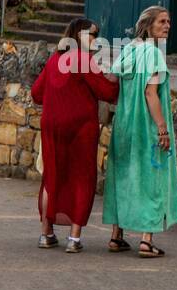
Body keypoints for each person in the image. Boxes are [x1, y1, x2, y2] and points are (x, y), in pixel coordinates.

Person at [30, 18, 119, 252]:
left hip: (52, 125)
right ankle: (74, 238)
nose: (96, 39)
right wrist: (115, 77)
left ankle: (46, 233)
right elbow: (106, 91)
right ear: (79, 35)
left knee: (52, 177)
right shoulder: (83, 59)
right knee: (81, 177)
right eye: (93, 34)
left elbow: (36, 94)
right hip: (80, 127)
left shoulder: (54, 59)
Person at [102, 5, 177, 258]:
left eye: (168, 22)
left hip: (124, 125)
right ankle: (146, 240)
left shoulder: (128, 50)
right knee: (151, 180)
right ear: (148, 26)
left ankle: (117, 235)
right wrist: (162, 129)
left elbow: (111, 81)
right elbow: (150, 93)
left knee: (123, 176)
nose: (167, 26)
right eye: (162, 22)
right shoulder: (154, 54)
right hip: (146, 126)